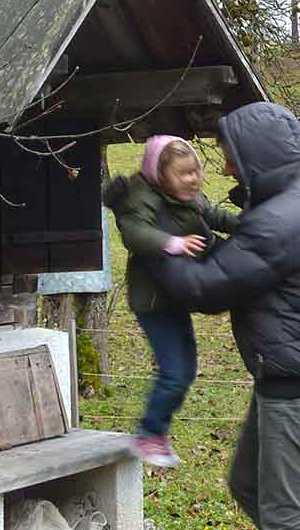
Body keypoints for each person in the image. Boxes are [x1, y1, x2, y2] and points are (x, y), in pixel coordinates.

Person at [146, 101, 300, 530]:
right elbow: (246, 261)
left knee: (282, 514)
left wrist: (158, 246)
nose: (225, 169)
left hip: (297, 382)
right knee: (248, 485)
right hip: (292, 372)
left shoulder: (278, 221)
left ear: (256, 157)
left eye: (229, 157)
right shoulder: (292, 202)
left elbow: (206, 288)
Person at [101, 135, 240, 467]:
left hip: (174, 297)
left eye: (195, 171)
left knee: (186, 369)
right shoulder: (141, 199)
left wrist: (252, 226)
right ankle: (148, 434)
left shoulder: (187, 196)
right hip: (153, 302)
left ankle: (156, 432)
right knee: (175, 371)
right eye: (183, 173)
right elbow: (134, 232)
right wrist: (172, 243)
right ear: (161, 176)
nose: (192, 179)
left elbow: (214, 215)